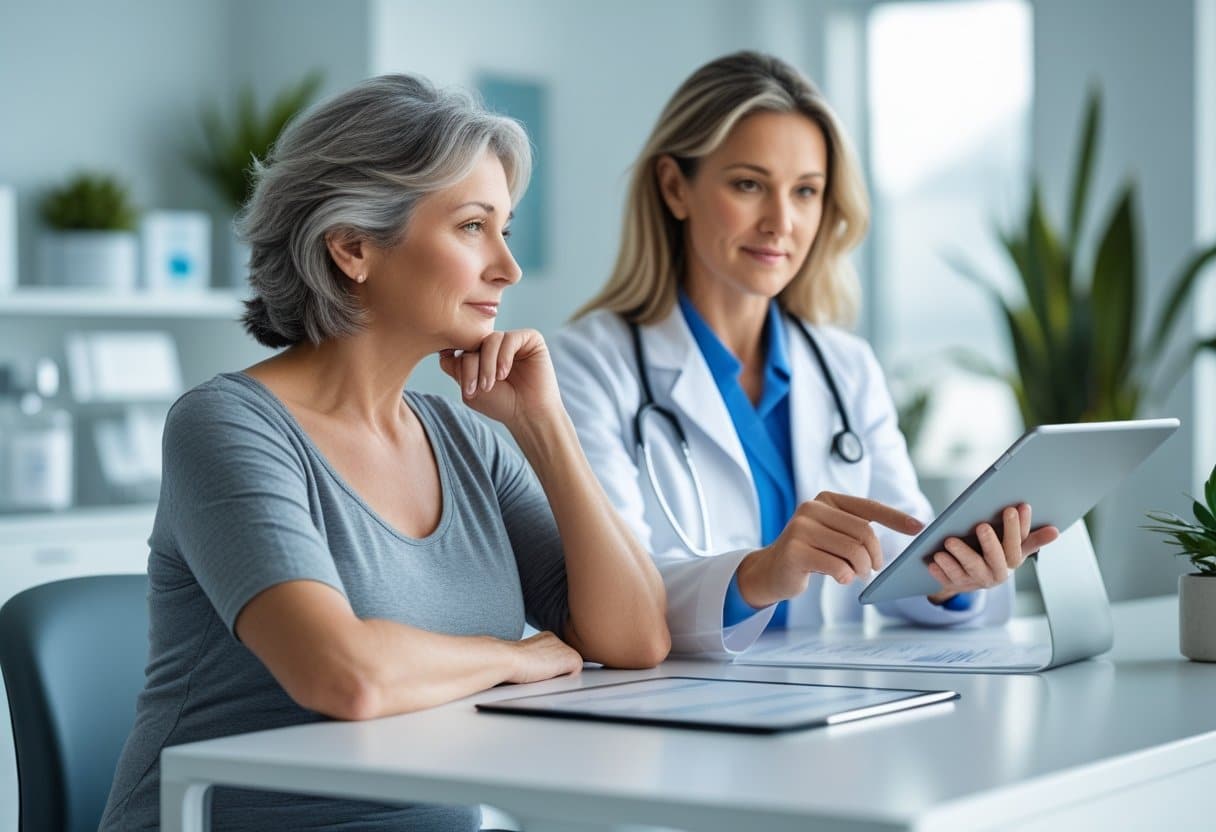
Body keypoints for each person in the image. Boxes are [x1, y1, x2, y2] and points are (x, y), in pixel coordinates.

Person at [101, 74, 669, 831]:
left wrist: (544, 425)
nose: (507, 266)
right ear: (353, 246)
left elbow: (635, 638)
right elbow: (344, 676)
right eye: (473, 226)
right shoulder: (226, 426)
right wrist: (512, 655)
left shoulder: (464, 438)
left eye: (505, 228)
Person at [551, 51, 1058, 657]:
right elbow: (613, 601)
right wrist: (760, 574)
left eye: (807, 192)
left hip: (825, 702)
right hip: (666, 714)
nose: (781, 222)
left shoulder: (845, 368)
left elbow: (903, 562)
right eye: (748, 185)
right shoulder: (587, 366)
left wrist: (956, 580)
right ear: (673, 187)